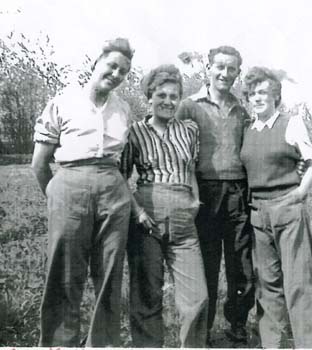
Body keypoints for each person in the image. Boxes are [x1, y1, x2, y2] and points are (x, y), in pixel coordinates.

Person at [31, 38, 134, 347]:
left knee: (110, 268)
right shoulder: (64, 101)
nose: (116, 74)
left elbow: (124, 161)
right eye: (112, 65)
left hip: (112, 188)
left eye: (123, 71)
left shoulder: (123, 109)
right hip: (69, 183)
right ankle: (59, 342)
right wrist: (56, 195)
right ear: (96, 63)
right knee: (64, 268)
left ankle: (101, 343)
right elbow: (39, 163)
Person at [240, 67, 312, 348]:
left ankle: (311, 344)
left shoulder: (291, 123)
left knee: (299, 282)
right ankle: (272, 344)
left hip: (288, 210)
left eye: (263, 92)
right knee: (267, 285)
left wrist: (300, 193)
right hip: (258, 213)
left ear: (276, 95)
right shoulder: (247, 129)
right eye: (252, 93)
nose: (257, 98)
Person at [122, 64, 208, 348]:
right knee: (147, 293)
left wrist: (194, 201)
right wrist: (138, 212)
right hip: (147, 217)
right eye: (161, 95)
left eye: (174, 96)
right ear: (149, 96)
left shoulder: (189, 131)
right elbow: (120, 178)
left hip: (184, 217)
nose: (168, 101)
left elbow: (191, 169)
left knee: (197, 297)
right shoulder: (134, 132)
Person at [176, 46, 254, 345]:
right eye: (219, 67)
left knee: (242, 264)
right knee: (205, 265)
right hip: (203, 192)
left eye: (231, 69)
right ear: (208, 67)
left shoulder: (242, 108)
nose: (225, 73)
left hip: (237, 191)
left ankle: (237, 323)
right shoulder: (188, 106)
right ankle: (202, 329)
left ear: (237, 73)